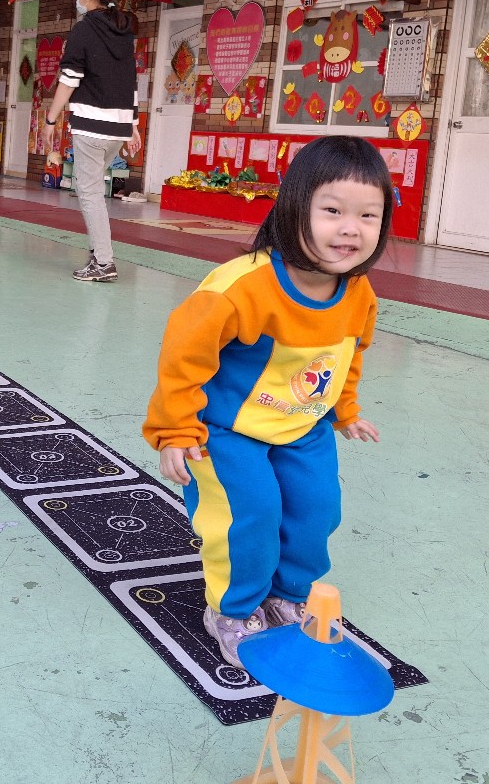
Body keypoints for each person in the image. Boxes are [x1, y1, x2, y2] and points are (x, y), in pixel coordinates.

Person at [141, 136, 391, 669]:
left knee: (316, 508)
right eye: (332, 211)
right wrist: (175, 430)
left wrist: (345, 410)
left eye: (368, 215)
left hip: (302, 427)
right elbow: (183, 357)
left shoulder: (358, 292)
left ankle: (288, 594)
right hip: (226, 431)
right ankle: (233, 610)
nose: (351, 228)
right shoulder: (240, 287)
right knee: (249, 514)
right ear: (294, 206)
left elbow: (348, 354)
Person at [36, 0, 142, 283]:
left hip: (92, 126)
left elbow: (69, 80)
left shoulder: (83, 30)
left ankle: (104, 263)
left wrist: (50, 119)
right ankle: (98, 255)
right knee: (93, 190)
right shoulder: (124, 31)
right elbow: (130, 82)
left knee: (90, 192)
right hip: (117, 128)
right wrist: (133, 125)